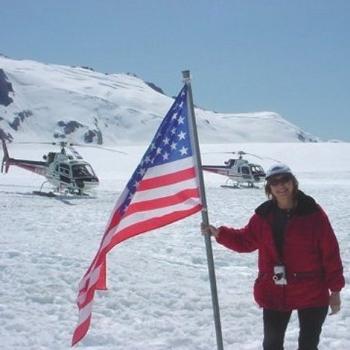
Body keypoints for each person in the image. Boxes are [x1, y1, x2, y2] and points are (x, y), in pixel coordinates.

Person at [201, 163, 345, 350]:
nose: (280, 186)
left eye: (285, 180)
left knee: (308, 345)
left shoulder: (314, 214)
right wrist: (219, 233)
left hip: (311, 291)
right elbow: (245, 240)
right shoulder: (263, 215)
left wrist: (335, 291)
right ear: (269, 187)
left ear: (293, 182)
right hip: (275, 290)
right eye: (274, 182)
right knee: (272, 345)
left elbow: (330, 253)